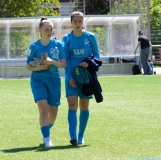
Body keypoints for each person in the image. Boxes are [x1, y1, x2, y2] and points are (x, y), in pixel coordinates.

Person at [26, 17, 66, 148]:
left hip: (54, 80)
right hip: (38, 79)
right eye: (46, 29)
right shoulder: (34, 46)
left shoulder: (58, 45)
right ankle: (47, 139)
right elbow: (28, 65)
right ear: (40, 30)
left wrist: (51, 62)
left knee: (53, 114)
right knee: (43, 109)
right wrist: (38, 67)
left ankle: (46, 128)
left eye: (51, 30)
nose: (49, 32)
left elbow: (64, 64)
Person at [62, 11, 100, 145]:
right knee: (72, 105)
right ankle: (72, 137)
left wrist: (88, 63)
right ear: (71, 22)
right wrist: (68, 76)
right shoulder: (66, 39)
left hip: (86, 77)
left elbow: (97, 55)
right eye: (75, 21)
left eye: (80, 21)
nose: (78, 24)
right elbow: (65, 59)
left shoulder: (90, 37)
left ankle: (80, 136)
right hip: (72, 78)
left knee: (84, 107)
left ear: (83, 22)